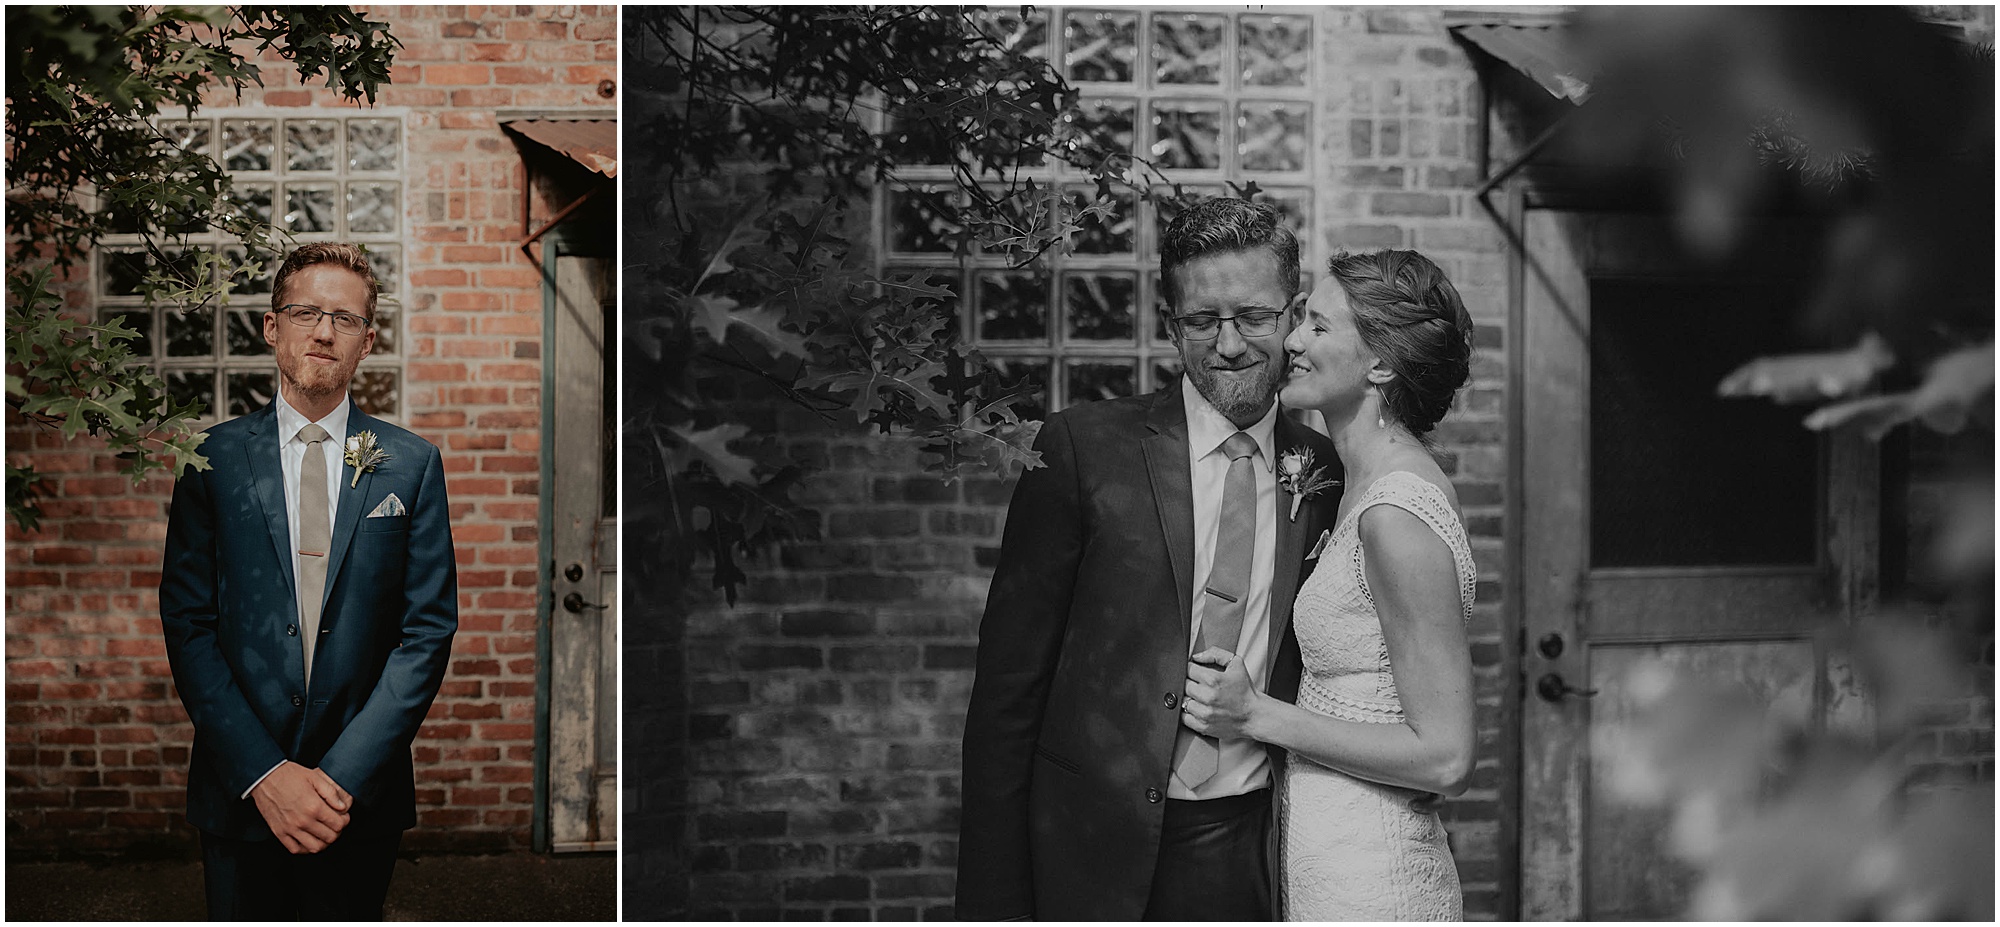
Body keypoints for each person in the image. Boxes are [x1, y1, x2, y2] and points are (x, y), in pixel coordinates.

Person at [955, 198, 1342, 921]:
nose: (1229, 345)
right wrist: (992, 903)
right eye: (1202, 321)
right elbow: (1006, 696)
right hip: (1089, 847)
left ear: (1291, 315)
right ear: (1170, 324)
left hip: (1256, 846)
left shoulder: (1322, 469)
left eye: (1254, 317)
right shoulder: (1078, 450)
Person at [159, 242, 458, 920]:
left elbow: (426, 632)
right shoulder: (210, 460)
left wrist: (340, 776)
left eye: (344, 319)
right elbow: (188, 623)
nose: (324, 331)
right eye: (306, 312)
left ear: (367, 342)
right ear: (272, 328)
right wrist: (265, 774)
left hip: (358, 798)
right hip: (242, 790)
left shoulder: (409, 466)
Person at [1181, 249, 1478, 920]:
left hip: (1374, 876)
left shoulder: (1397, 514)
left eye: (1317, 325)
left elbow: (1446, 755)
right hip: (1331, 860)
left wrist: (1256, 714)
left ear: (1379, 363)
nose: (1292, 340)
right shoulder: (1355, 487)